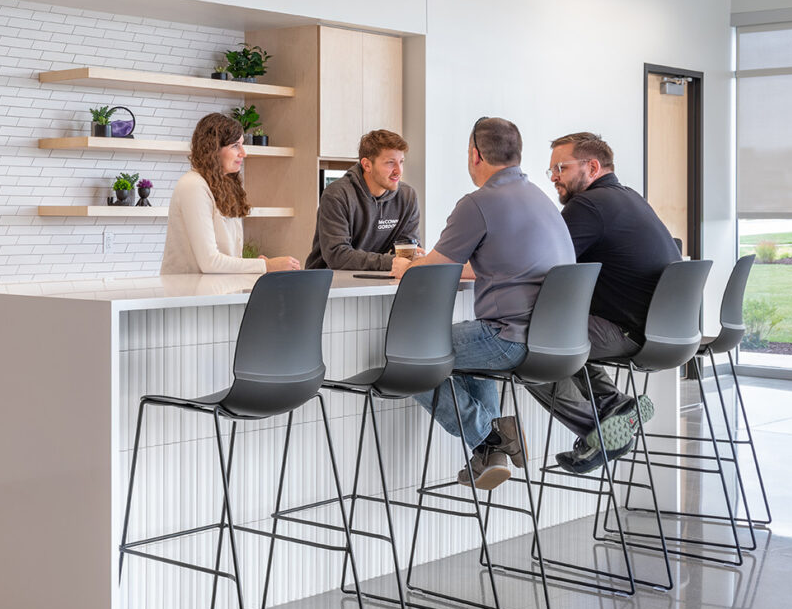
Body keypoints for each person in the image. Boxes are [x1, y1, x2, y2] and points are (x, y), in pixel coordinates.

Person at [399, 117, 575, 490]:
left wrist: (405, 265)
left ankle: (491, 436)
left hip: (508, 338)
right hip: (552, 338)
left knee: (410, 358)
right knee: (461, 360)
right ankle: (489, 455)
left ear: (475, 155)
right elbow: (499, 265)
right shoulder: (541, 199)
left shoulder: (478, 204)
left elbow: (431, 272)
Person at [535, 132, 676, 473]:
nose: (554, 176)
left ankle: (597, 430)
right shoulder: (630, 197)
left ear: (592, 167)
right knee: (562, 334)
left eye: (560, 167)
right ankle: (616, 406)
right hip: (665, 330)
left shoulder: (589, 205)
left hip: (628, 330)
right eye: (551, 169)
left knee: (526, 341)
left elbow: (539, 261)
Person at [161, 113, 302, 276]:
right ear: (213, 149)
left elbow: (226, 257)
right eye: (235, 145)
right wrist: (265, 265)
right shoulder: (193, 186)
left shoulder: (224, 185)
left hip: (216, 294)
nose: (243, 153)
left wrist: (260, 264)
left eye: (242, 144)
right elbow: (210, 262)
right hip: (190, 296)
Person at [305, 128, 422, 273]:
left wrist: (414, 257)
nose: (398, 171)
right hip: (331, 283)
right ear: (367, 165)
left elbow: (408, 248)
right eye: (390, 163)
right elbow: (337, 255)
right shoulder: (337, 195)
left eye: (401, 162)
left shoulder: (407, 196)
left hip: (379, 279)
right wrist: (391, 262)